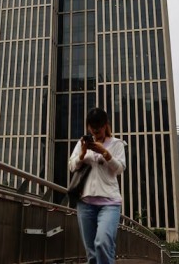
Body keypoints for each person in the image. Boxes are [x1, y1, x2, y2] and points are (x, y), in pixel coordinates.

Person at [68, 107, 127, 264]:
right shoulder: (82, 143)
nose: (96, 132)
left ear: (105, 125)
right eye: (92, 129)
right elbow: (72, 166)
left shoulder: (117, 144)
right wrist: (82, 155)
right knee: (92, 254)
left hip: (110, 203)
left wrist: (105, 153)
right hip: (85, 203)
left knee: (102, 243)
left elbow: (120, 169)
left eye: (99, 128)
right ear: (88, 127)